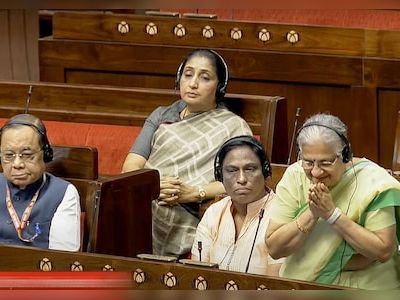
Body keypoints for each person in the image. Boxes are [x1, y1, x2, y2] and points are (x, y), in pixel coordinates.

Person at [122, 49, 252, 256]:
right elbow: (130, 167)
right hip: (147, 199)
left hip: (191, 211)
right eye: (188, 74)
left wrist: (194, 193)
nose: (193, 84)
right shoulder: (161, 115)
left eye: (205, 77)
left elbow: (242, 179)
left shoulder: (233, 126)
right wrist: (153, 186)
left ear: (219, 86)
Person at [266, 113, 400, 289]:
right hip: (303, 285)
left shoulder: (374, 183)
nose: (315, 172)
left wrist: (332, 214)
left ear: (345, 155)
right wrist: (312, 213)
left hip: (365, 286)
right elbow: (275, 249)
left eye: (326, 163)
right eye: (308, 162)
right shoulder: (295, 175)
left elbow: (383, 250)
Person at [191, 135, 283, 275]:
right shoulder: (214, 213)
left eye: (250, 169)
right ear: (220, 175)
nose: (241, 179)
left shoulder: (282, 215)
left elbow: (276, 287)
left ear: (265, 172)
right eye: (232, 170)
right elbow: (197, 276)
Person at [0, 114, 81, 251]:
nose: (17, 164)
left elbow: (62, 258)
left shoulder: (64, 193)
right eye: (9, 155)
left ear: (45, 153)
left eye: (27, 155)